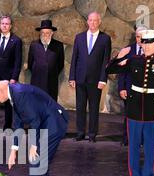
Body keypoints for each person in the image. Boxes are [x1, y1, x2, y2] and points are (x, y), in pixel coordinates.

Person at [106, 29, 154, 176]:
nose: (147, 46)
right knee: (133, 147)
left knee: (151, 147)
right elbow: (109, 70)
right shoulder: (134, 60)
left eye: (150, 43)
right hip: (134, 109)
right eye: (144, 43)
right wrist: (119, 56)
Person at [69, 12, 111, 143]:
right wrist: (72, 77)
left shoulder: (105, 39)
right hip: (80, 78)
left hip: (96, 80)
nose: (93, 23)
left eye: (95, 20)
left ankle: (92, 134)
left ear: (99, 22)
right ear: (87, 21)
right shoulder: (79, 37)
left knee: (93, 108)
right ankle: (80, 132)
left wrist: (103, 79)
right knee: (80, 107)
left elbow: (106, 61)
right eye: (90, 20)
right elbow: (74, 58)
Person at [118, 26, 147, 146]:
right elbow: (122, 72)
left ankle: (141, 140)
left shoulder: (153, 50)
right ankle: (127, 139)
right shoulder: (128, 50)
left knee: (143, 115)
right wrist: (122, 88)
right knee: (129, 115)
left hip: (145, 90)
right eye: (137, 36)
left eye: (141, 37)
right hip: (130, 89)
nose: (139, 39)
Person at [28, 19, 64, 101]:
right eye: (43, 32)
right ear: (40, 33)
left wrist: (51, 71)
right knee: (37, 102)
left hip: (51, 81)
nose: (45, 35)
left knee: (50, 104)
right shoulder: (34, 45)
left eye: (47, 32)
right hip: (37, 80)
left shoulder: (58, 45)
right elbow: (30, 63)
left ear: (52, 33)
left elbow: (60, 64)